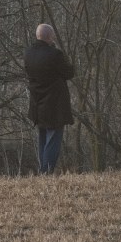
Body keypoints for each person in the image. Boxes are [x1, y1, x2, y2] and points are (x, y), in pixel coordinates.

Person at [23, 23, 75, 174]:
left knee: (43, 138)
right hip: (54, 104)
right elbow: (69, 73)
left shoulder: (28, 53)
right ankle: (46, 172)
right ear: (49, 37)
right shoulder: (55, 54)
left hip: (37, 102)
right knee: (53, 139)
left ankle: (43, 170)